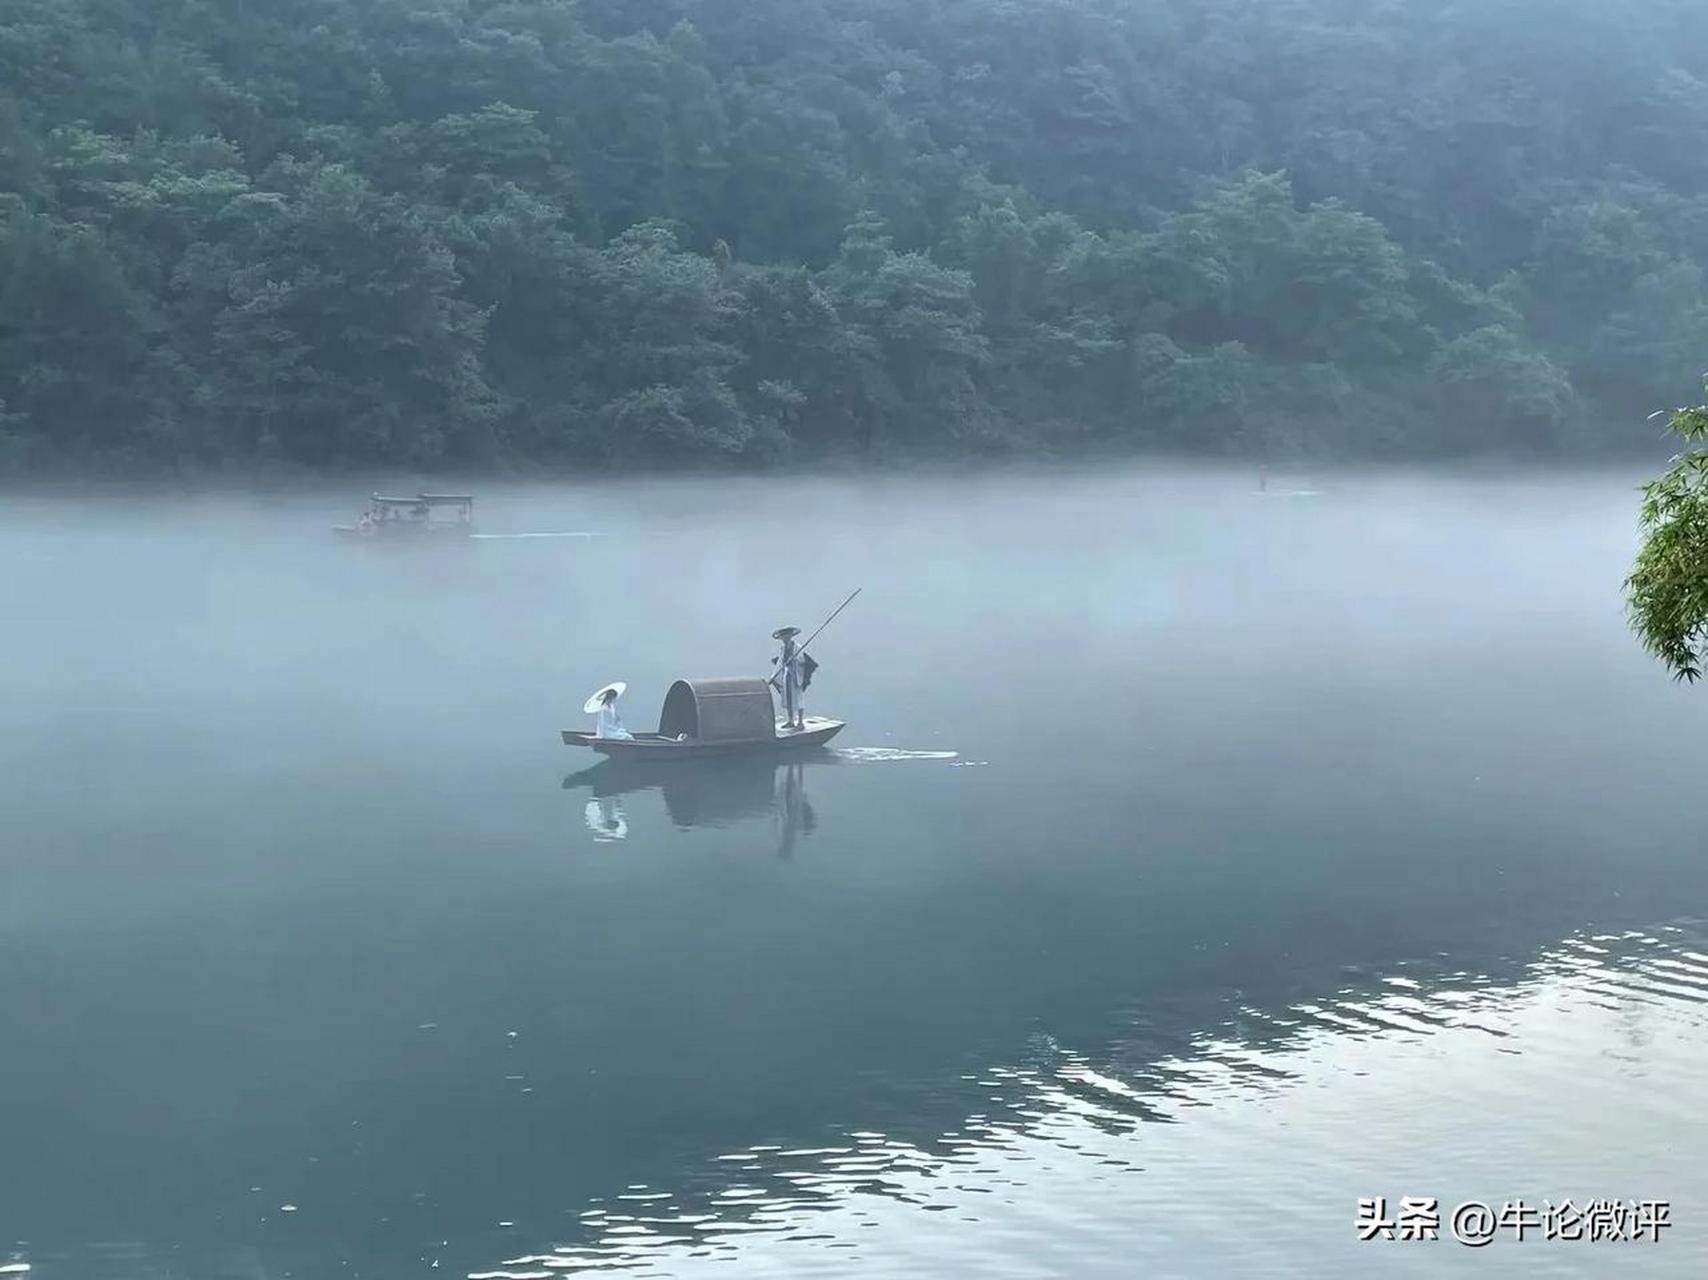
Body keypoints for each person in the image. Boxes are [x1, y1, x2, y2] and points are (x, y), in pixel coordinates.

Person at [769, 626, 818, 730]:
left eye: (787, 636)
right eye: (783, 637)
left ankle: (800, 722)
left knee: (798, 699)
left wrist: (794, 659)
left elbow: (802, 660)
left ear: (790, 636)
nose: (785, 639)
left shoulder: (797, 647)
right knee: (788, 699)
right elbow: (780, 662)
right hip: (787, 675)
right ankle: (790, 721)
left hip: (796, 676)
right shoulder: (783, 648)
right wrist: (774, 676)